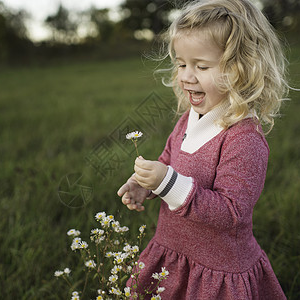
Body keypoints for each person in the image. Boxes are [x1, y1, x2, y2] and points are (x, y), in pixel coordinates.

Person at [117, 0, 289, 299]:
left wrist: (166, 182)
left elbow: (231, 212)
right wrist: (147, 186)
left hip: (216, 270)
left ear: (242, 69)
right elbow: (170, 161)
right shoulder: (188, 119)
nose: (185, 76)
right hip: (173, 251)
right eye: (182, 64)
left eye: (202, 66)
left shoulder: (244, 139)